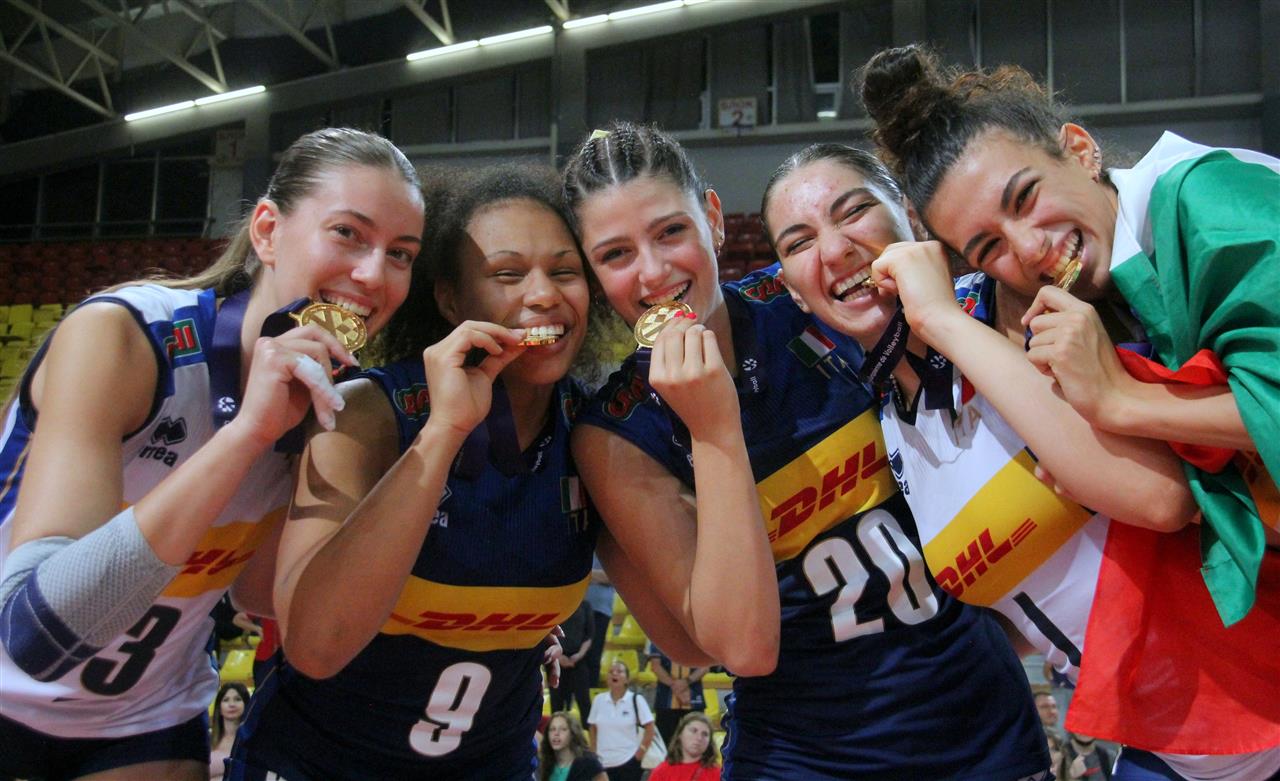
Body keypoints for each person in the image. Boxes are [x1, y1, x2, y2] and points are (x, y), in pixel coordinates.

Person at [762, 139, 1280, 781]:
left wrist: (939, 317)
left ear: (913, 218)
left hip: (1255, 696)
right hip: (1167, 746)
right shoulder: (890, 422)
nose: (835, 249)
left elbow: (1161, 497)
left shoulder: (1017, 313)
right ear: (793, 292)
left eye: (853, 211)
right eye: (799, 242)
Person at [564, 121, 1048, 780]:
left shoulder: (808, 296)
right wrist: (714, 430)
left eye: (671, 231)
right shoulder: (616, 433)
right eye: (616, 254)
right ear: (594, 275)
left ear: (713, 218)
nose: (653, 270)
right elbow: (741, 649)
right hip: (802, 755)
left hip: (986, 726)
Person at [0, 127, 424, 781]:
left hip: (145, 721)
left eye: (400, 253)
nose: (373, 274)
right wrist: (246, 434)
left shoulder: (335, 399)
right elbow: (34, 638)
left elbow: (261, 591)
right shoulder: (124, 337)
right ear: (267, 231)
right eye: (347, 233)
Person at [857, 44, 1280, 630]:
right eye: (989, 247)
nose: (1030, 248)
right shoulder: (1103, 298)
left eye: (1025, 197)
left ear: (1080, 150)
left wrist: (1122, 403)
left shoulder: (1214, 205)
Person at [228, 163, 598, 780]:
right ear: (450, 298)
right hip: (315, 764)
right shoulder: (365, 414)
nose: (543, 295)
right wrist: (443, 432)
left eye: (565, 272)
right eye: (508, 274)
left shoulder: (594, 430)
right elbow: (314, 645)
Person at [588, 660, 656, 781]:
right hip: (602, 764)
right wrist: (594, 753)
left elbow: (650, 728)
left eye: (619, 671)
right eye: (611, 671)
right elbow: (592, 727)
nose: (614, 674)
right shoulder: (598, 700)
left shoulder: (637, 699)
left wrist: (639, 754)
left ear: (627, 679)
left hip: (628, 762)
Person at [646, 641, 708, 742]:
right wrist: (680, 686)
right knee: (665, 742)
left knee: (696, 741)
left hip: (693, 700)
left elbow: (705, 667)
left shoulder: (698, 638)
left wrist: (684, 682)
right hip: (666, 701)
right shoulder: (659, 637)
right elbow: (655, 667)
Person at [553, 599, 597, 720]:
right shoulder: (553, 604)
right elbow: (547, 633)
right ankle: (556, 730)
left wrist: (580, 654)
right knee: (556, 703)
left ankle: (587, 729)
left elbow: (590, 635)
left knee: (584, 701)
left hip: (579, 659)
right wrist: (559, 656)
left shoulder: (585, 606)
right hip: (556, 660)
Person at [648, 711, 721, 781]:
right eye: (694, 731)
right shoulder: (661, 772)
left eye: (705, 734)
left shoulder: (718, 774)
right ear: (680, 734)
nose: (699, 738)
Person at [540, 711, 608, 781]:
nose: (556, 733)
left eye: (563, 729)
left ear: (572, 734)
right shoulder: (545, 765)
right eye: (552, 729)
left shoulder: (589, 762)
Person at [210, 681, 250, 780]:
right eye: (226, 700)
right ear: (219, 708)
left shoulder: (254, 741)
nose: (232, 704)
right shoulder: (207, 740)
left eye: (237, 699)